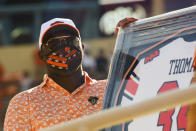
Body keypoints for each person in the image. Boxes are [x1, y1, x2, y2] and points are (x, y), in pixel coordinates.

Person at [3, 17, 137, 131]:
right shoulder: (24, 103)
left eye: (71, 40)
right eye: (54, 43)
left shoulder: (109, 89)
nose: (64, 47)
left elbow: (144, 90)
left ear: (82, 48)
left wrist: (132, 40)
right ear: (41, 55)